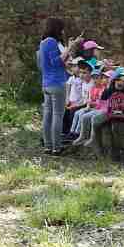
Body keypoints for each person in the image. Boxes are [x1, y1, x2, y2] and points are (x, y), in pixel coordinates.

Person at [38, 18, 70, 154]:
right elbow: (56, 62)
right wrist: (69, 49)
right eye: (62, 29)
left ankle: (48, 146)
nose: (63, 32)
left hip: (46, 83)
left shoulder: (43, 43)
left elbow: (42, 64)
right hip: (57, 83)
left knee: (48, 115)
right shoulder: (51, 42)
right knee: (57, 116)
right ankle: (56, 147)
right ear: (57, 29)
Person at [64, 60, 92, 137]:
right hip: (77, 102)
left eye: (84, 73)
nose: (81, 75)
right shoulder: (82, 82)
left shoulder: (89, 83)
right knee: (66, 111)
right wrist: (68, 101)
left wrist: (76, 105)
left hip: (85, 104)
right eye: (80, 72)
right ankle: (67, 131)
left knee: (73, 111)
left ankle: (74, 133)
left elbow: (86, 100)